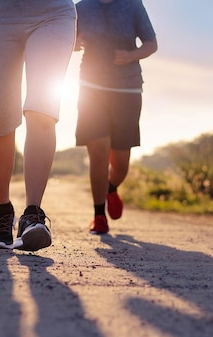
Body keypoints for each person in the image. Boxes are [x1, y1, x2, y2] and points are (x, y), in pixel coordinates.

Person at [0, 0, 77, 251]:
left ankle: (32, 215)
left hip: (52, 13)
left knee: (42, 109)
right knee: (0, 120)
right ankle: (2, 212)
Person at [75, 0, 157, 234]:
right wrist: (74, 43)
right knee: (99, 150)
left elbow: (151, 44)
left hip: (127, 90)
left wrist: (130, 56)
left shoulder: (132, 5)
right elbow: (65, 40)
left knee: (120, 164)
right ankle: (99, 215)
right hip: (91, 88)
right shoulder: (81, 7)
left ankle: (111, 188)